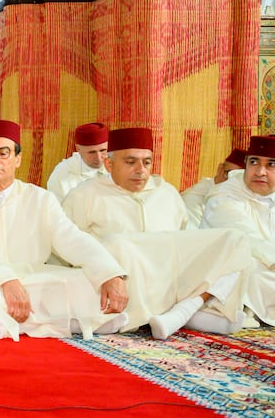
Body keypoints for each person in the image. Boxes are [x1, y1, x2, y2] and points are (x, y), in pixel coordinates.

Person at [0, 119, 129, 340]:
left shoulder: (40, 198)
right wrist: (5, 280)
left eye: (3, 153)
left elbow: (71, 239)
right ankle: (65, 325)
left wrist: (109, 272)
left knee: (87, 280)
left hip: (34, 279)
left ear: (18, 159)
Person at [62, 128, 249, 338]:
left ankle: (186, 308)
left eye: (147, 162)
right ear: (109, 164)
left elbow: (182, 241)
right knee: (117, 244)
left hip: (171, 282)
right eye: (130, 162)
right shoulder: (84, 195)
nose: (140, 170)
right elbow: (69, 252)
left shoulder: (166, 193)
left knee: (235, 240)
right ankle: (183, 313)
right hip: (124, 289)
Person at [202, 135, 275, 327]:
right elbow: (248, 240)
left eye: (271, 165)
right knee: (252, 273)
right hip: (233, 268)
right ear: (246, 164)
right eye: (254, 162)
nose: (260, 172)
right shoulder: (223, 196)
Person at [46, 122, 109, 202]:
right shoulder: (61, 175)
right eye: (92, 152)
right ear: (78, 149)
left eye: (103, 150)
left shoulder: (119, 167)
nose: (99, 158)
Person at [181, 148, 245, 227]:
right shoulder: (194, 199)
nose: (231, 182)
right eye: (229, 174)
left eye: (239, 178)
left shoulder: (243, 198)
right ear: (220, 169)